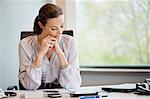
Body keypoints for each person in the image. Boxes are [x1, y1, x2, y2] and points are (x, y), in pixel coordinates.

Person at [18, 3, 82, 90]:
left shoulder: (70, 42)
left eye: (62, 26)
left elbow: (74, 85)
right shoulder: (25, 44)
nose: (60, 32)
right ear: (41, 25)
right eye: (54, 28)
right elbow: (29, 86)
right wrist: (40, 54)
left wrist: (60, 53)